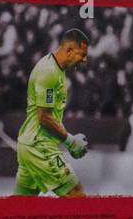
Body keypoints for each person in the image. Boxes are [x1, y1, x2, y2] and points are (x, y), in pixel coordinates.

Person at [14, 28, 91, 197]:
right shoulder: (49, 72)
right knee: (77, 196)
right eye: (82, 54)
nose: (84, 59)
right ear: (69, 50)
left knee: (19, 205)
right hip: (40, 147)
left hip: (30, 144)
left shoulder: (55, 68)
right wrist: (70, 141)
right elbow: (44, 117)